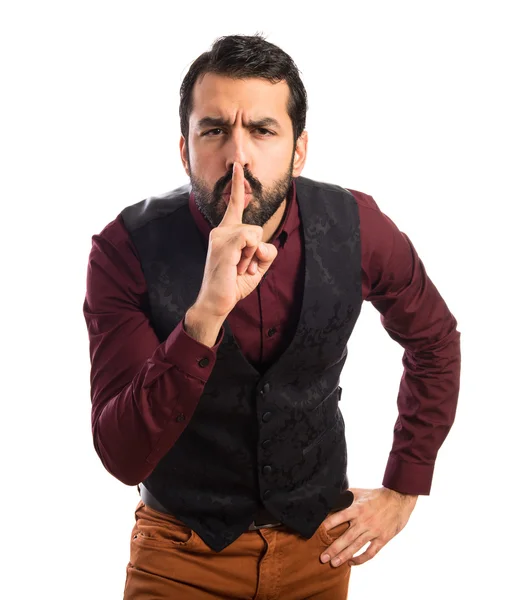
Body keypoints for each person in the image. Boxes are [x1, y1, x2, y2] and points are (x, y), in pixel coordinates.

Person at [83, 33, 461, 600]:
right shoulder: (125, 249)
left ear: (298, 149)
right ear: (185, 149)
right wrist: (205, 313)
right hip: (181, 554)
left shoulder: (359, 227)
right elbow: (122, 454)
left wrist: (404, 487)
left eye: (262, 130)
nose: (238, 155)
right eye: (214, 130)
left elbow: (434, 340)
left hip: (319, 552)